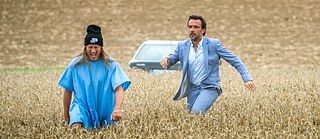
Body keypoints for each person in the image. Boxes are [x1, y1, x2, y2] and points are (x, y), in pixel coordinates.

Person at [160, 15, 256, 114]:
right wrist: (167, 60)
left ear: (203, 30)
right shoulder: (182, 46)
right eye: (190, 27)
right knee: (191, 117)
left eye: (196, 27)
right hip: (192, 88)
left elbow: (235, 60)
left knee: (197, 112)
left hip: (210, 87)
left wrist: (247, 79)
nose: (192, 30)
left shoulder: (214, 44)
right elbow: (172, 58)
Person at [58, 24, 131, 128]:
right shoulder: (74, 65)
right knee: (76, 127)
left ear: (101, 48)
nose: (93, 50)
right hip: (81, 106)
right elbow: (68, 90)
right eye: (90, 47)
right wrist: (66, 113)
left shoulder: (111, 65)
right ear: (85, 47)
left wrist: (117, 109)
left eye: (96, 47)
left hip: (104, 109)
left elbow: (119, 88)